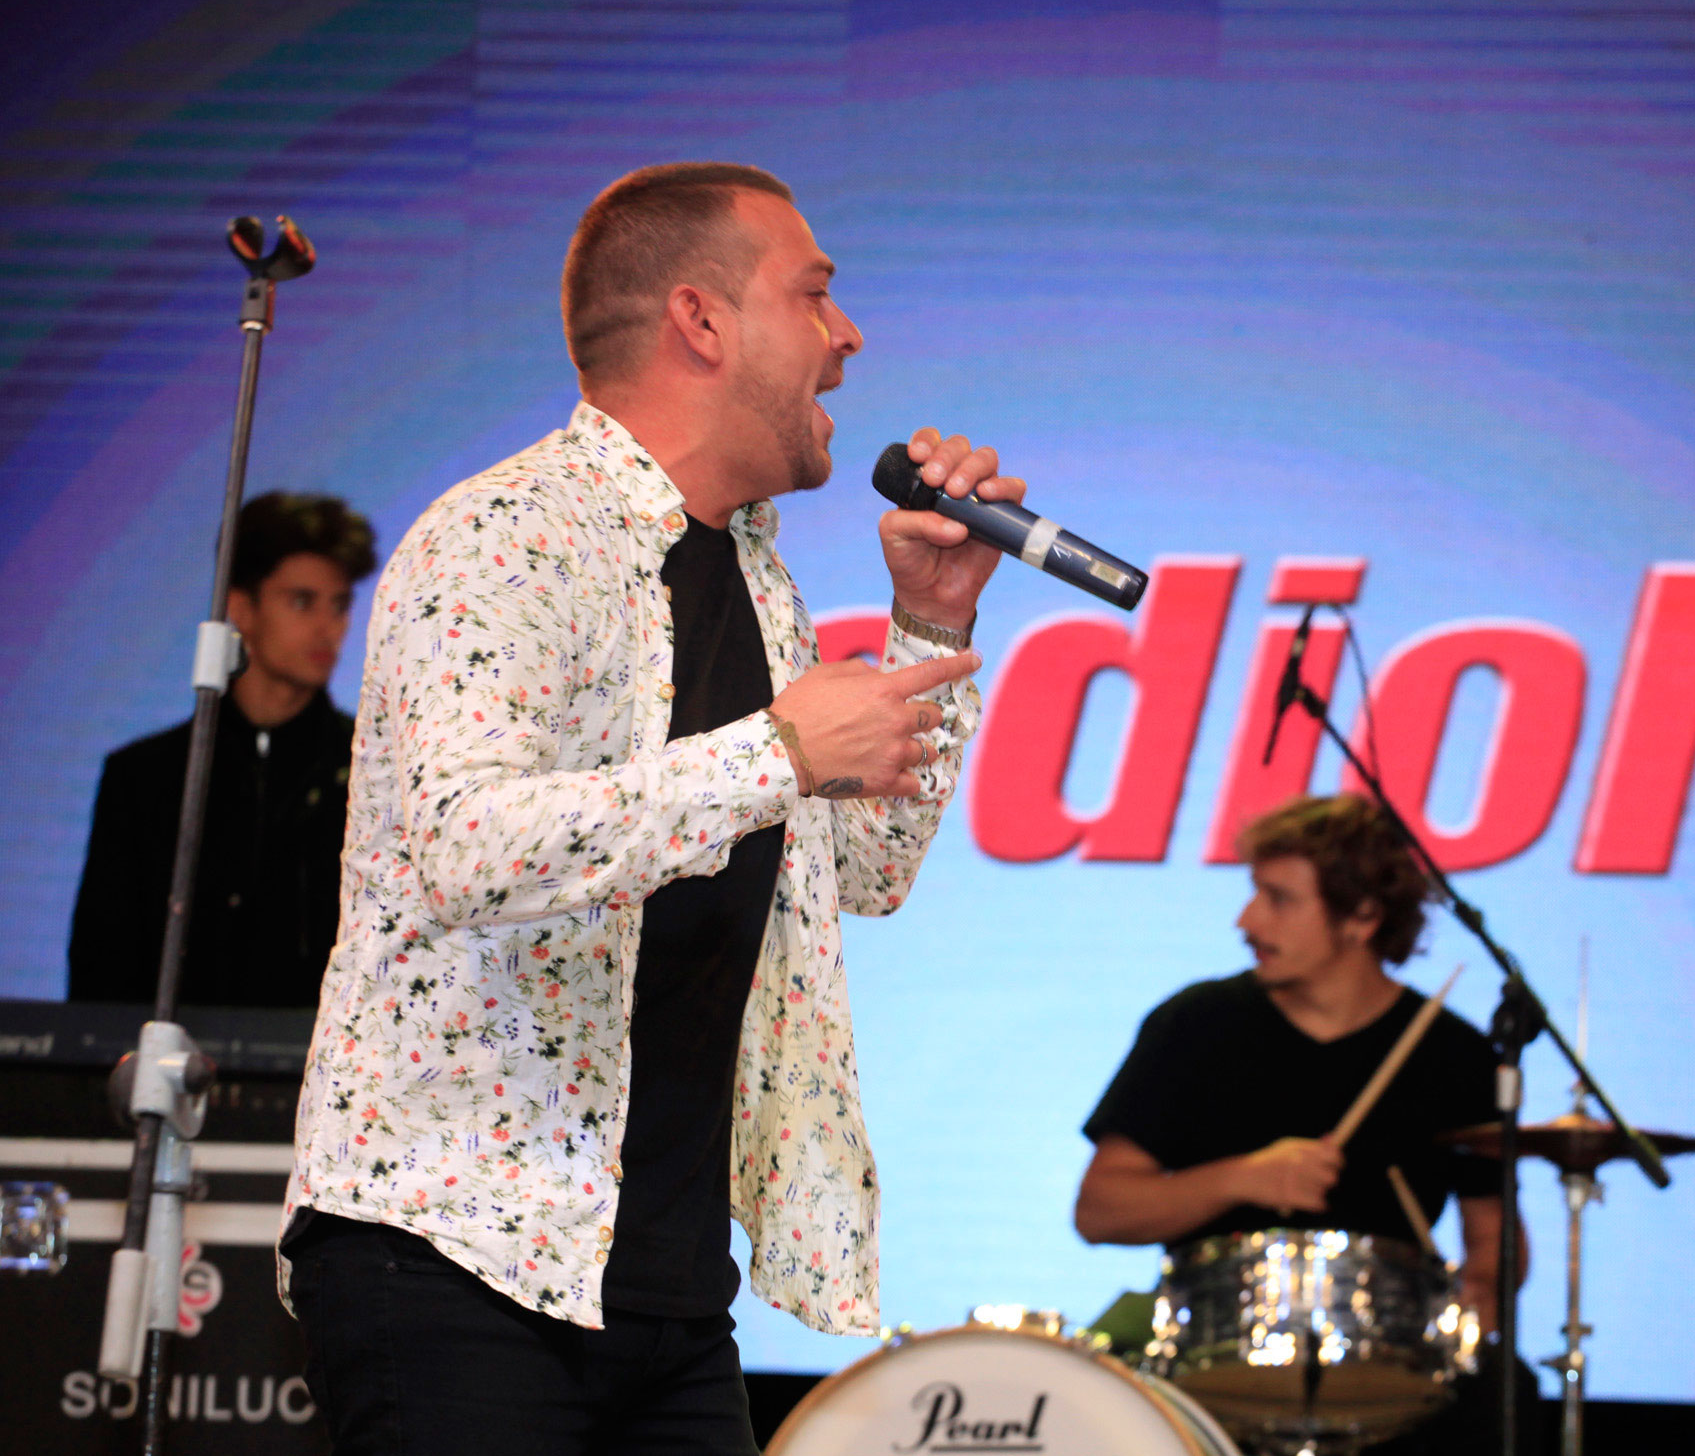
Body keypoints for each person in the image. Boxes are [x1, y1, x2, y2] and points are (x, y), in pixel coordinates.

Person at [280, 162, 1016, 1456]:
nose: (848, 335)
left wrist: (930, 624)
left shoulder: (756, 580)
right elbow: (465, 846)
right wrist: (776, 751)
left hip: (667, 1287)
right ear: (702, 320)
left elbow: (863, 870)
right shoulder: (505, 534)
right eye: (816, 295)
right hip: (461, 1259)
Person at [1075, 793, 1552, 1455]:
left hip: (1390, 1366)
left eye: (1278, 899)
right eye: (1255, 893)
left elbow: (1493, 1239)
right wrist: (1243, 1177)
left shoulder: (1454, 1055)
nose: (1247, 920)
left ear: (1361, 917)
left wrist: (1476, 1304)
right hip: (1208, 1356)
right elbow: (1099, 1211)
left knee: (1507, 1393)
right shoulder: (1195, 1025)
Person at [67, 491, 375, 1008]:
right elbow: (101, 973)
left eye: (340, 604)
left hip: (325, 1055)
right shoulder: (147, 777)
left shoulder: (372, 773)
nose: (329, 626)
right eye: (302, 601)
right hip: (165, 1055)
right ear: (240, 608)